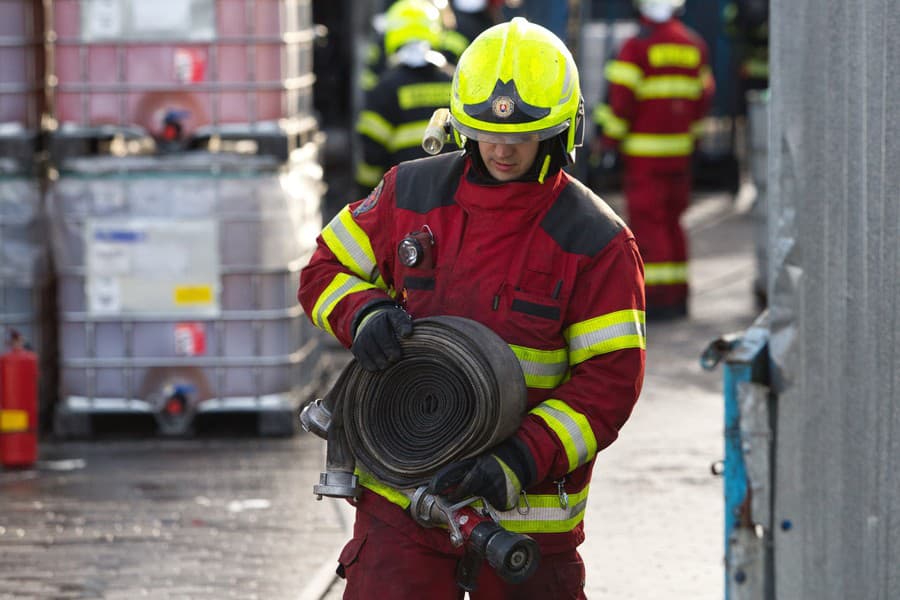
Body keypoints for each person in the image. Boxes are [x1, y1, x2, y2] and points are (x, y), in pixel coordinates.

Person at [300, 17, 646, 599]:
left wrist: (520, 457)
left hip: (525, 514)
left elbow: (609, 382)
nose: (503, 147)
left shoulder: (596, 241)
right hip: (400, 500)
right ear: (460, 123)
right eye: (486, 131)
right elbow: (324, 269)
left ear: (564, 130)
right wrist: (362, 315)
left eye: (523, 133)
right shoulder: (412, 193)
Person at [592, 0, 715, 320]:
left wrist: (608, 143)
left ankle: (659, 302)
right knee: (674, 224)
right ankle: (679, 296)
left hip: (644, 158)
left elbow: (621, 103)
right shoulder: (694, 45)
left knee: (649, 227)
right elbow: (703, 97)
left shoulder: (637, 46)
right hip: (680, 156)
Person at [354, 0, 456, 196]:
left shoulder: (384, 89)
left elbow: (371, 153)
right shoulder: (454, 83)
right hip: (452, 194)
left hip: (403, 196)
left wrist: (365, 195)